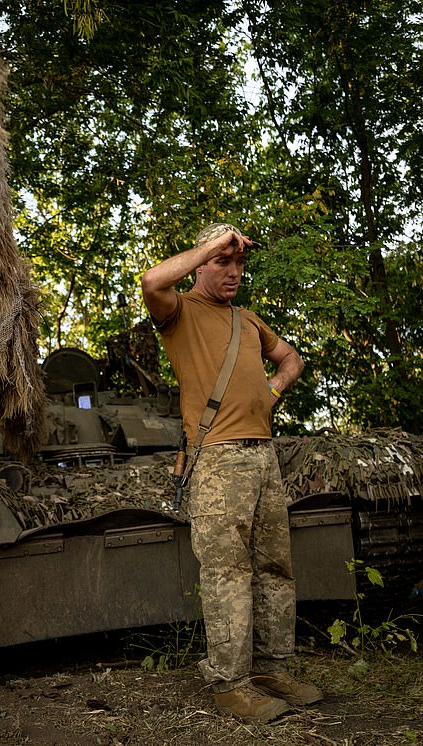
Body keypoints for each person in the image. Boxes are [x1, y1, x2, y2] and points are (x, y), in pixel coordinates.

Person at [141, 222, 323, 724]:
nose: (234, 271)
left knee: (275, 571)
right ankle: (230, 684)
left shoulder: (247, 319)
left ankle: (272, 669)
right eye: (224, 261)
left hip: (264, 457)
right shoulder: (180, 313)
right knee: (227, 574)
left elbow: (291, 358)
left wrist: (273, 390)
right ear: (202, 264)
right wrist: (209, 246)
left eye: (240, 263)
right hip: (217, 461)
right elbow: (152, 282)